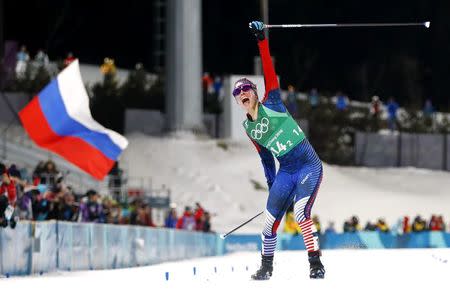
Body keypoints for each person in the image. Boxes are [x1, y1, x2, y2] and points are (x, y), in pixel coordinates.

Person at [234, 21, 325, 280]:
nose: (242, 93)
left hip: (308, 164)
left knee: (300, 214)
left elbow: (268, 71)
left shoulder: (271, 100)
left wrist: (261, 41)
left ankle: (315, 263)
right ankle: (266, 267)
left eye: (246, 89)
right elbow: (265, 157)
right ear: (238, 101)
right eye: (238, 92)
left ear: (254, 92)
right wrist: (273, 183)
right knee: (268, 223)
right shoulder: (249, 128)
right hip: (286, 171)